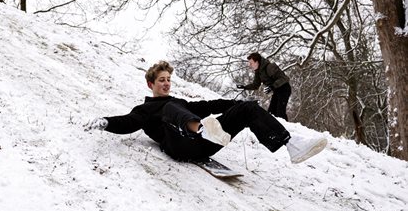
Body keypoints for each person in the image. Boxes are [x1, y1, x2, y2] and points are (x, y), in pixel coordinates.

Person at [84, 61, 327, 165]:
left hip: (205, 144)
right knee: (171, 107)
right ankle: (201, 129)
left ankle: (291, 144)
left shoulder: (178, 101)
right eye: (161, 80)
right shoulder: (146, 109)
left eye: (168, 79)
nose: (166, 83)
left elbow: (208, 105)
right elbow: (129, 122)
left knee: (248, 109)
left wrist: (236, 102)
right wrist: (106, 122)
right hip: (180, 146)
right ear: (151, 84)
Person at [236, 52, 292, 120]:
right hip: (277, 90)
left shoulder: (269, 67)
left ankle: (285, 128)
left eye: (251, 63)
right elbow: (256, 85)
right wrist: (244, 87)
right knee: (271, 113)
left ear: (257, 62)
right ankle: (273, 129)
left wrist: (272, 86)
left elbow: (284, 79)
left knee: (280, 112)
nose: (250, 65)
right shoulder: (258, 72)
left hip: (284, 89)